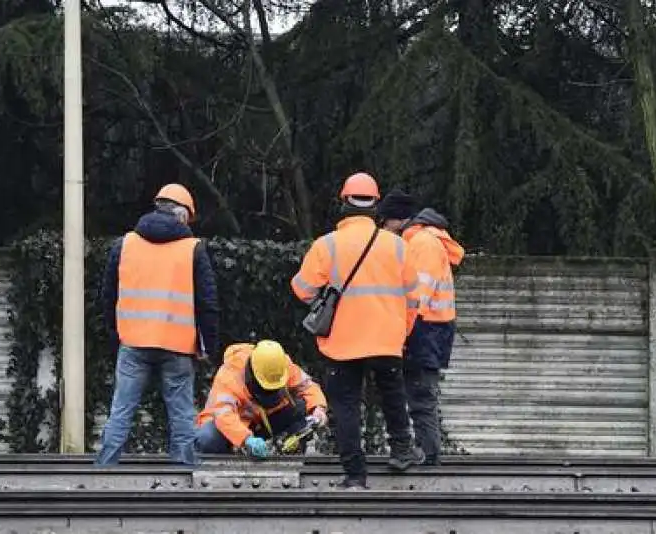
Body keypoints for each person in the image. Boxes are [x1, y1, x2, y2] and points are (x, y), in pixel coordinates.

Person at [290, 172, 424, 490]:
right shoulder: (397, 246)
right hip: (386, 340)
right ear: (376, 205)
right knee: (392, 395)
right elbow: (414, 297)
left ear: (343, 202)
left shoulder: (327, 245)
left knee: (346, 406)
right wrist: (401, 332)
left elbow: (302, 290)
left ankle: (354, 475)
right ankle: (402, 451)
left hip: (342, 342)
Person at [96, 183, 220, 466]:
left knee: (121, 410)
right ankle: (185, 478)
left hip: (133, 343)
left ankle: (103, 473)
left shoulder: (124, 244)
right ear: (182, 215)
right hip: (177, 346)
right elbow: (208, 304)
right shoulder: (193, 249)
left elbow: (107, 296)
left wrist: (116, 334)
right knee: (181, 416)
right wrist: (206, 346)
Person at [376, 188, 464, 466]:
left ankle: (429, 457)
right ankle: (428, 453)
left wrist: (402, 332)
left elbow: (419, 297)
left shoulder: (422, 243)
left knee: (420, 396)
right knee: (419, 394)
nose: (383, 228)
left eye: (384, 222)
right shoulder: (422, 239)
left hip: (426, 329)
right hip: (431, 328)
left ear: (397, 220)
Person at [194, 340, 328, 458]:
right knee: (207, 439)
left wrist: (319, 409)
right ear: (252, 374)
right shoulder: (230, 375)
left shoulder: (281, 365)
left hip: (263, 422)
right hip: (230, 427)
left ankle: (291, 452)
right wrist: (246, 439)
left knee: (302, 407)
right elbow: (224, 415)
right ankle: (226, 464)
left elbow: (307, 387)